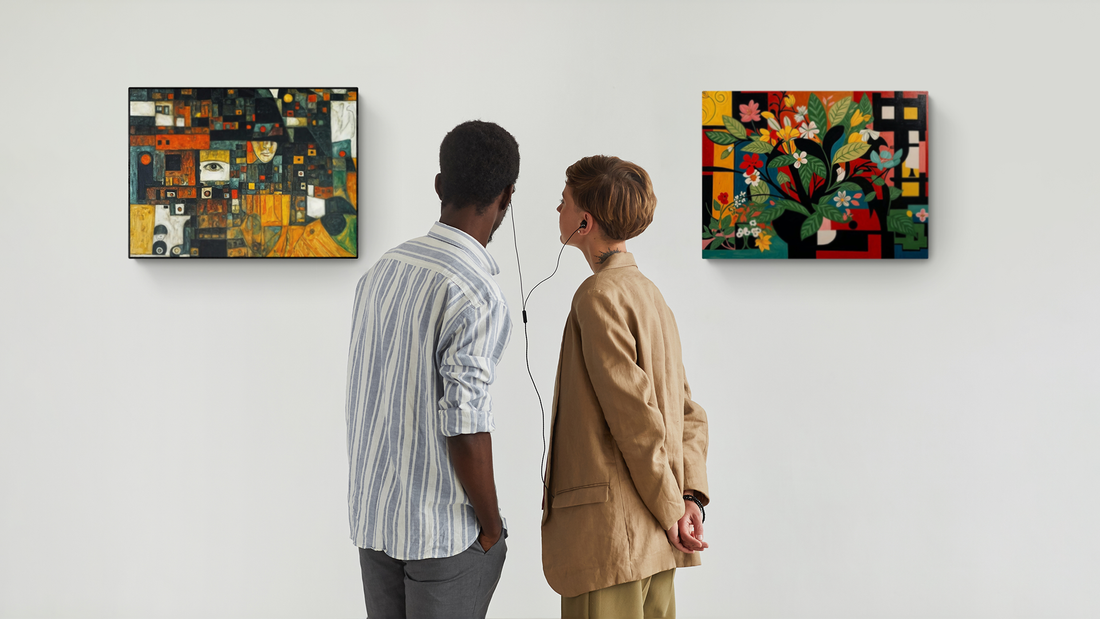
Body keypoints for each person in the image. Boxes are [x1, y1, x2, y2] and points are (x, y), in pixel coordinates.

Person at [345, 120, 519, 619]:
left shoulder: (384, 270)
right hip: (442, 534)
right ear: (506, 198)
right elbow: (465, 426)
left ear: (440, 185)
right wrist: (491, 527)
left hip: (376, 523)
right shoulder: (475, 292)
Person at [541, 155, 710, 619]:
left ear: (584, 221)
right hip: (656, 536)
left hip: (611, 541)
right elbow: (687, 410)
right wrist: (688, 499)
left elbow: (634, 419)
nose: (557, 211)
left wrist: (676, 507)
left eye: (562, 203)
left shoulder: (598, 297)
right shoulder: (650, 295)